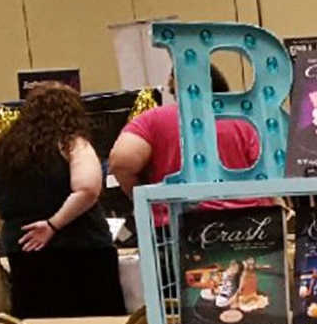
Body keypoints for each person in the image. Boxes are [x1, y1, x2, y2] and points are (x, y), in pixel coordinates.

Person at [0, 83, 125, 317]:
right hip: (80, 248)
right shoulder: (71, 142)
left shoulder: (6, 150)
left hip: (23, 249)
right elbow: (88, 189)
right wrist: (52, 225)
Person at [108, 66, 264, 224]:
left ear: (174, 87)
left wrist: (141, 197)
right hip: (247, 224)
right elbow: (265, 172)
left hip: (178, 225)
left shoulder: (154, 119)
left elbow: (121, 161)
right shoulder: (244, 120)